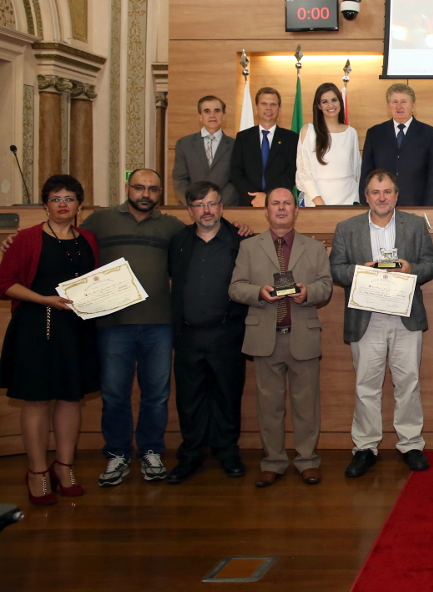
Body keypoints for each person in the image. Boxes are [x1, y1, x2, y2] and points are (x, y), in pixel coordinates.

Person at [330, 170, 433, 478]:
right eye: (376, 192)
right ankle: (365, 447)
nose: (382, 197)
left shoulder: (415, 225)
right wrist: (360, 272)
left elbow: (429, 265)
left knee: (408, 383)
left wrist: (410, 268)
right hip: (366, 318)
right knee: (366, 385)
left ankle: (411, 444)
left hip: (405, 316)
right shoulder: (347, 228)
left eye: (387, 191)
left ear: (396, 195)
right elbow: (335, 269)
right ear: (366, 197)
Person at [81, 169, 185, 487]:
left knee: (157, 395)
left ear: (160, 193)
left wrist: (239, 226)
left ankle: (151, 451)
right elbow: (66, 242)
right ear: (127, 188)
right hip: (113, 325)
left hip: (159, 324)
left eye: (152, 189)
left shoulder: (172, 226)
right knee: (114, 395)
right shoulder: (100, 220)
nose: (145, 194)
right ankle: (117, 453)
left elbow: (204, 239)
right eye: (139, 187)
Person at [0, 175, 98, 505]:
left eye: (69, 198)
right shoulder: (26, 238)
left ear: (80, 205)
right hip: (36, 328)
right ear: (45, 205)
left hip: (76, 330)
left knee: (71, 399)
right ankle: (37, 471)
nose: (62, 204)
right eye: (56, 199)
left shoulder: (89, 239)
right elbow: (4, 283)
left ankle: (64, 468)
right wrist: (44, 299)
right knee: (37, 401)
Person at [228, 187, 332, 488]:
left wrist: (308, 292)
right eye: (276, 203)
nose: (282, 208)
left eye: (288, 203)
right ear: (266, 210)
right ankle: (273, 461)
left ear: (296, 210)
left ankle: (308, 461)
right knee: (269, 406)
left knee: (306, 405)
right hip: (265, 337)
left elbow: (326, 286)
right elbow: (235, 288)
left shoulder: (314, 247)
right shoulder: (249, 247)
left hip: (303, 336)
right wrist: (258, 293)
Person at [164, 180, 250, 484]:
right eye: (199, 205)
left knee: (228, 396)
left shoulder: (241, 240)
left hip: (227, 333)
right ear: (190, 210)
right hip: (187, 336)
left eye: (211, 203)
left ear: (221, 207)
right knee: (189, 399)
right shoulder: (178, 241)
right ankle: (191, 454)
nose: (206, 210)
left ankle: (227, 452)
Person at [359, 83, 433, 207]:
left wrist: (428, 209)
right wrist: (365, 205)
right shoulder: (375, 133)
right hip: (381, 206)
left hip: (416, 205)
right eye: (394, 102)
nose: (399, 106)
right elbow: (366, 174)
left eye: (404, 102)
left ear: (413, 105)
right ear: (388, 106)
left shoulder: (430, 134)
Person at [229, 87, 299, 207]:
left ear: (279, 109)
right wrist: (255, 197)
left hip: (280, 203)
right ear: (256, 108)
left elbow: (291, 172)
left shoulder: (291, 138)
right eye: (264, 104)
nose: (268, 108)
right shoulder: (243, 137)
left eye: (273, 104)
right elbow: (236, 172)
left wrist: (267, 195)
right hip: (249, 202)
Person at [296, 82, 360, 206]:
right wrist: (319, 203)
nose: (330, 105)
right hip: (317, 201)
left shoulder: (351, 132)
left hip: (348, 199)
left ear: (340, 102)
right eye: (325, 101)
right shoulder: (308, 131)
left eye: (334, 100)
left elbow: (356, 172)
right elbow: (304, 173)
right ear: (319, 106)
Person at [171, 95, 238, 206]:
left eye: (217, 111)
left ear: (224, 115)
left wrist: (216, 204)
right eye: (207, 111)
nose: (212, 115)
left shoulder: (236, 145)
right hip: (192, 208)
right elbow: (179, 179)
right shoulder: (184, 144)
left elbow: (236, 181)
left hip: (225, 207)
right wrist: (196, 204)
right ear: (200, 116)